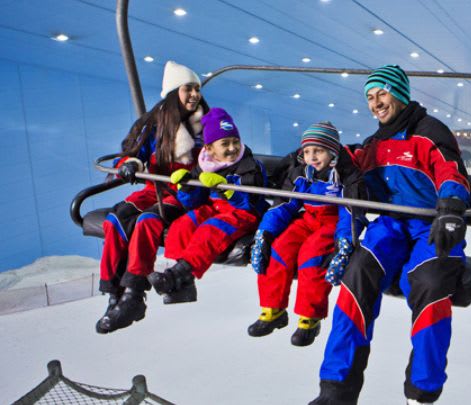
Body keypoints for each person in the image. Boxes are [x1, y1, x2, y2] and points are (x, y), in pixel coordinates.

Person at [309, 65, 470, 405]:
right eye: (370, 97)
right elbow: (351, 175)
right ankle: (336, 389)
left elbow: (449, 170)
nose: (376, 103)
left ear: (399, 94)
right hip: (390, 225)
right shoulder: (374, 144)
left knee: (431, 282)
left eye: (382, 93)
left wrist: (452, 208)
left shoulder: (429, 132)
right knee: (357, 275)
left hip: (431, 224)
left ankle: (422, 390)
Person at [96, 61, 208, 334]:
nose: (194, 95)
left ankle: (134, 292)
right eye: (188, 89)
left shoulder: (205, 123)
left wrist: (195, 176)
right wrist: (131, 164)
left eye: (197, 89)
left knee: (147, 222)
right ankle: (114, 293)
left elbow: (216, 157)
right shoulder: (155, 125)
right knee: (115, 219)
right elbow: (133, 151)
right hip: (153, 188)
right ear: (173, 92)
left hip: (183, 192)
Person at [249, 121, 364, 347]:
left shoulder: (346, 175)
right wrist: (265, 233)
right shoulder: (301, 173)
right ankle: (273, 309)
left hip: (333, 222)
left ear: (332, 151)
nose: (312, 157)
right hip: (308, 218)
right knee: (279, 249)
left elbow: (351, 212)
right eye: (308, 151)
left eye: (318, 151)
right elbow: (284, 204)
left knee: (312, 257)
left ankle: (309, 318)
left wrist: (344, 242)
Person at [146, 107, 269, 303]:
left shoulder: (249, 165)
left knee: (210, 230)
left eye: (235, 142)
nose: (232, 148)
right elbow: (192, 203)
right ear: (210, 148)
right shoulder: (204, 164)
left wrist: (226, 190)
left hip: (244, 214)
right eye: (225, 143)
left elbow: (251, 202)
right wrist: (186, 188)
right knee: (183, 225)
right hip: (216, 209)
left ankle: (180, 273)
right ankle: (184, 284)